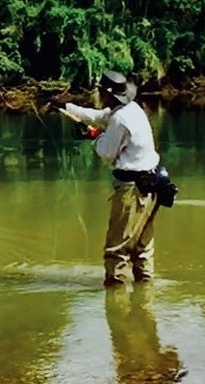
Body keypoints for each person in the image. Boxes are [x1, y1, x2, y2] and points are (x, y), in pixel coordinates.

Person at [56, 70, 163, 286]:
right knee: (143, 248)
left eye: (100, 92)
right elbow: (99, 117)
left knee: (117, 249)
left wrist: (92, 137)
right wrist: (65, 106)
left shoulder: (121, 119)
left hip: (133, 189)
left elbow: (106, 153)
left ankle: (116, 302)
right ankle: (145, 302)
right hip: (153, 185)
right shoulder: (132, 110)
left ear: (106, 94)